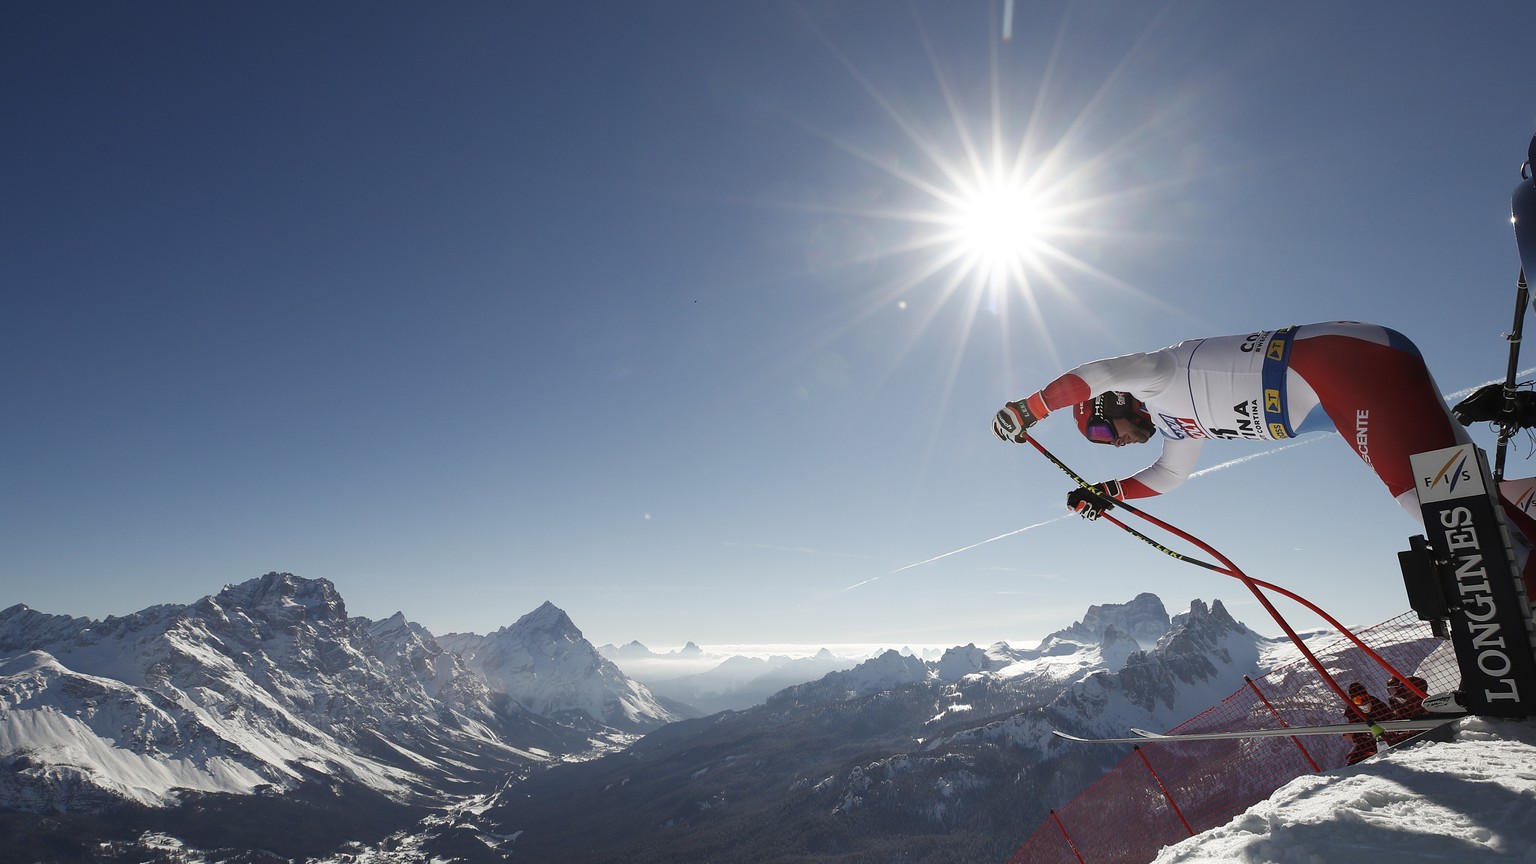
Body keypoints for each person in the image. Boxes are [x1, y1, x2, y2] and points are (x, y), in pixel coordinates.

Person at [991, 322, 1471, 522]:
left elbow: (1099, 373)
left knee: (1441, 509)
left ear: (1113, 406)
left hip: (1348, 369)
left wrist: (1030, 409)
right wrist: (1109, 492)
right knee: (1471, 499)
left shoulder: (1156, 375)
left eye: (1100, 432)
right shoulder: (1174, 420)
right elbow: (1170, 476)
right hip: (1342, 395)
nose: (1110, 444)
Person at [1342, 682, 1390, 765]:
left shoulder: (1378, 704)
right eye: (1358, 700)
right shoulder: (1351, 711)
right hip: (1366, 741)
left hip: (1386, 736)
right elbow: (1352, 732)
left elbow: (1390, 718)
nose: (1363, 702)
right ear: (1353, 700)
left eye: (1365, 698)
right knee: (1353, 762)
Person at [1381, 675, 1429, 747]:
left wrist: (1398, 736)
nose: (1395, 694)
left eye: (1395, 690)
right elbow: (1398, 718)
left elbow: (1422, 727)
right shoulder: (1395, 702)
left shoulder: (1419, 702)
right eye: (1391, 691)